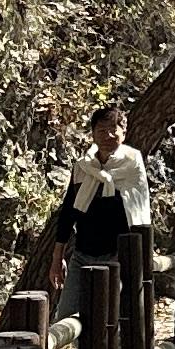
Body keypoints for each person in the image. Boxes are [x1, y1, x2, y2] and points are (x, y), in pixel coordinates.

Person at [45, 100, 150, 315]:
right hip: (83, 252)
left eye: (114, 129)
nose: (108, 135)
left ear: (124, 131)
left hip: (119, 254)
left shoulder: (132, 163)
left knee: (112, 319)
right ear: (93, 134)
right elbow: (68, 213)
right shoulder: (84, 167)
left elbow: (137, 209)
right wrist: (57, 258)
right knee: (66, 315)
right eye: (102, 130)